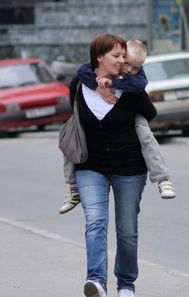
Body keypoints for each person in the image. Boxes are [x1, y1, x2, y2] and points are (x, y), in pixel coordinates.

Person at [65, 33, 157, 297]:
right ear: (99, 58)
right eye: (116, 56)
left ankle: (126, 282)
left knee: (127, 229)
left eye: (123, 56)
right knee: (95, 221)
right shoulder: (79, 83)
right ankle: (96, 281)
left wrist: (128, 89)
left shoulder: (131, 87)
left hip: (129, 167)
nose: (121, 61)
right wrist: (98, 85)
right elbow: (75, 119)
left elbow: (151, 114)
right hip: (89, 166)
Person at [59, 39, 176, 215]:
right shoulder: (85, 76)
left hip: (133, 132)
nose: (128, 69)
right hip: (91, 164)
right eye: (124, 61)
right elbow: (82, 71)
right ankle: (73, 188)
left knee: (147, 138)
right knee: (71, 140)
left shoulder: (135, 79)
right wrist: (98, 87)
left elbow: (146, 102)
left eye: (135, 67)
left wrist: (113, 84)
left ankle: (163, 179)